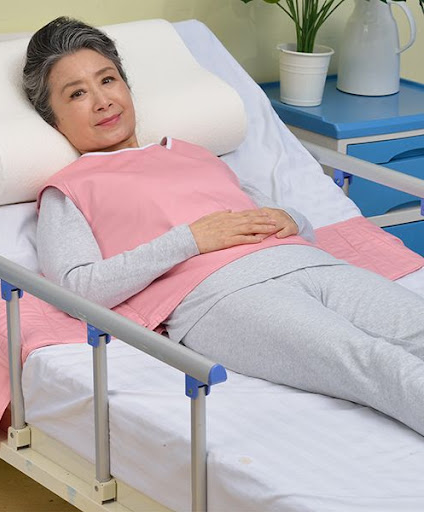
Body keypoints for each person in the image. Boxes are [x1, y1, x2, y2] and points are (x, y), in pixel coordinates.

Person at [24, 17, 424, 436]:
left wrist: (292, 219)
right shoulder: (68, 190)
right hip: (219, 297)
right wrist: (190, 240)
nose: (102, 101)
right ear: (53, 119)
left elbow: (280, 218)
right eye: (77, 94)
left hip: (309, 263)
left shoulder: (194, 154)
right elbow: (76, 288)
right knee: (373, 361)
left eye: (107, 80)